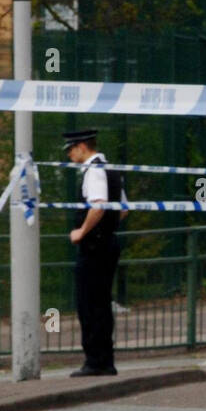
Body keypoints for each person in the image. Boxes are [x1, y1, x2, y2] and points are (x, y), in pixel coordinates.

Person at [65, 128, 127, 376]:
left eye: (71, 149)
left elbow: (99, 206)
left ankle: (95, 360)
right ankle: (105, 359)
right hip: (108, 243)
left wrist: (82, 231)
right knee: (101, 302)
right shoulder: (110, 168)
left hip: (94, 247)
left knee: (89, 303)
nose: (70, 155)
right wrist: (108, 227)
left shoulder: (94, 171)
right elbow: (123, 209)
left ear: (82, 147)